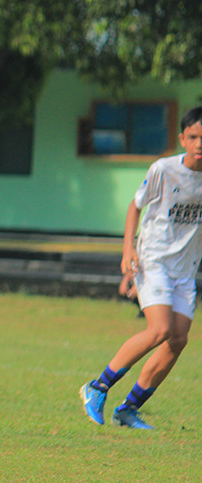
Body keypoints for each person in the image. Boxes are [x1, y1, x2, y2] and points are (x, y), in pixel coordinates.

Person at [79, 106, 202, 429]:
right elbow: (135, 207)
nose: (199, 143)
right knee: (159, 329)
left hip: (185, 269)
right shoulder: (164, 169)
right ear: (182, 139)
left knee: (178, 340)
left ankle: (128, 409)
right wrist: (127, 251)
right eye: (193, 137)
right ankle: (97, 387)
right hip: (154, 259)